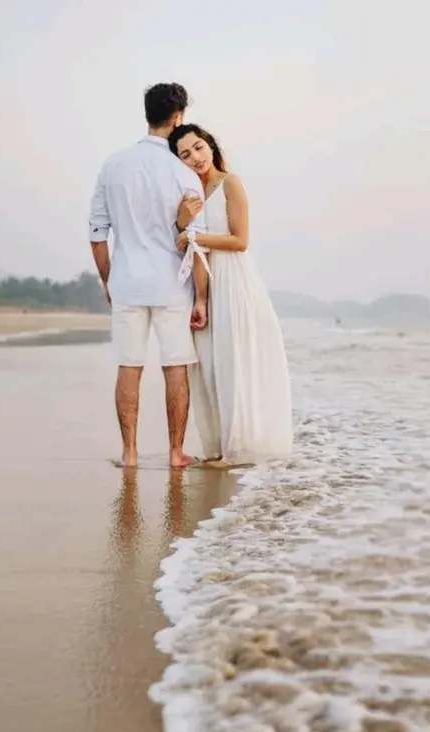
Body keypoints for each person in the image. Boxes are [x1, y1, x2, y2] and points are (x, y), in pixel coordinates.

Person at [89, 83, 207, 468]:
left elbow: (97, 232)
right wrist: (201, 297)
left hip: (126, 281)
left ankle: (130, 452)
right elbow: (195, 242)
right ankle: (175, 452)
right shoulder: (183, 172)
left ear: (147, 114)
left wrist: (108, 280)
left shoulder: (113, 164)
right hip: (172, 283)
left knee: (129, 366)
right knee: (175, 366)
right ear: (177, 118)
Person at [168, 123, 293, 467]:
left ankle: (239, 448)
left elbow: (240, 240)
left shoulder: (229, 183)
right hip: (207, 283)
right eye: (185, 154)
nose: (195, 157)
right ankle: (221, 445)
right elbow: (190, 246)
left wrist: (195, 238)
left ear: (210, 145)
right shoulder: (192, 196)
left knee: (233, 359)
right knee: (210, 364)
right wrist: (200, 299)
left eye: (198, 148)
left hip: (235, 280)